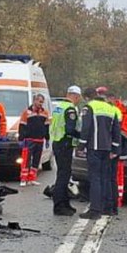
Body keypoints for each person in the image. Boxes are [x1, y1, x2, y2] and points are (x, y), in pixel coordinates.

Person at [78, 87, 120, 219]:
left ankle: (95, 210)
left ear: (86, 97)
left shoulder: (89, 107)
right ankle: (107, 207)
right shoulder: (110, 108)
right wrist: (115, 149)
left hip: (94, 147)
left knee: (95, 178)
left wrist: (81, 145)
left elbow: (86, 128)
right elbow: (116, 132)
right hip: (107, 148)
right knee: (105, 178)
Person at [51, 86, 82, 215]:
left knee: (64, 174)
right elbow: (70, 129)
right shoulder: (70, 109)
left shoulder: (58, 106)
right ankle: (59, 206)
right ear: (76, 96)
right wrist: (82, 136)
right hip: (65, 143)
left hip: (57, 142)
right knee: (63, 176)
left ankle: (65, 202)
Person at [17, 94, 51, 186]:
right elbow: (22, 126)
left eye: (42, 102)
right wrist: (21, 138)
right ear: (35, 101)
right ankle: (23, 179)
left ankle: (32, 178)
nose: (41, 104)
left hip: (40, 140)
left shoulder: (45, 113)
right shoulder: (27, 112)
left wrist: (47, 138)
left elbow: (46, 127)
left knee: (36, 160)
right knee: (26, 160)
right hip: (29, 139)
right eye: (40, 102)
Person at [110, 90, 127, 208]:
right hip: (109, 148)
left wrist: (116, 129)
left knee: (118, 175)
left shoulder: (125, 113)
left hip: (120, 149)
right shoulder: (111, 110)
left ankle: (117, 200)